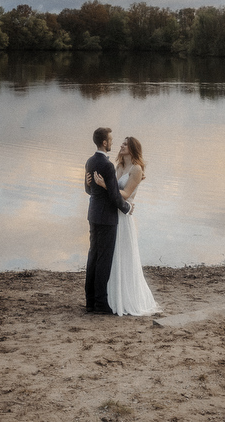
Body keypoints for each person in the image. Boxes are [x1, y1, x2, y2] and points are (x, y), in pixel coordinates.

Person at [92, 136, 159, 316]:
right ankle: (111, 298)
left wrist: (104, 185)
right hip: (113, 214)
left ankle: (126, 299)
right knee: (112, 258)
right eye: (120, 143)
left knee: (124, 257)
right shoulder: (119, 166)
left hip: (123, 216)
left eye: (124, 144)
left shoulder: (137, 169)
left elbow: (125, 193)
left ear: (132, 148)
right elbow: (113, 193)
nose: (120, 146)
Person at [84, 127, 133, 314]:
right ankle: (101, 304)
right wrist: (127, 208)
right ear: (104, 142)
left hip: (93, 214)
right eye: (111, 140)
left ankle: (90, 301)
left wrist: (90, 184)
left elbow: (88, 190)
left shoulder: (90, 161)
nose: (112, 142)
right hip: (106, 218)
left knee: (93, 257)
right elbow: (113, 195)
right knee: (104, 260)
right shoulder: (107, 165)